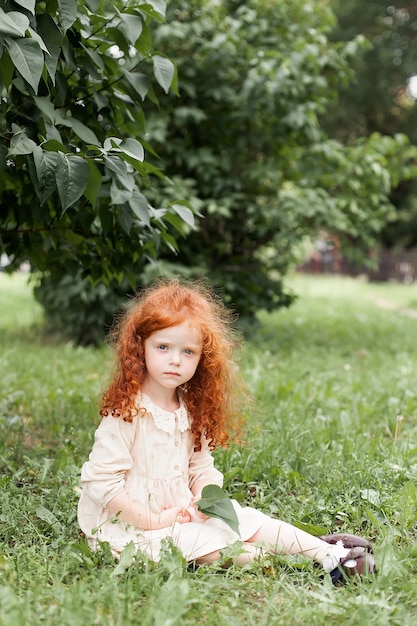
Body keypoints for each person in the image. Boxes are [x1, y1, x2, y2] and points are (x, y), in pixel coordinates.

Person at [77, 279, 375, 583]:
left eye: (188, 351)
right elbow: (102, 483)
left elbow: (200, 469)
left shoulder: (190, 408)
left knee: (244, 519)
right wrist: (151, 519)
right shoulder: (127, 411)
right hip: (130, 522)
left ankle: (329, 551)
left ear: (202, 358)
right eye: (163, 347)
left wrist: (204, 499)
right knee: (207, 546)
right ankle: (310, 561)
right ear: (141, 347)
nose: (175, 360)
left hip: (180, 510)